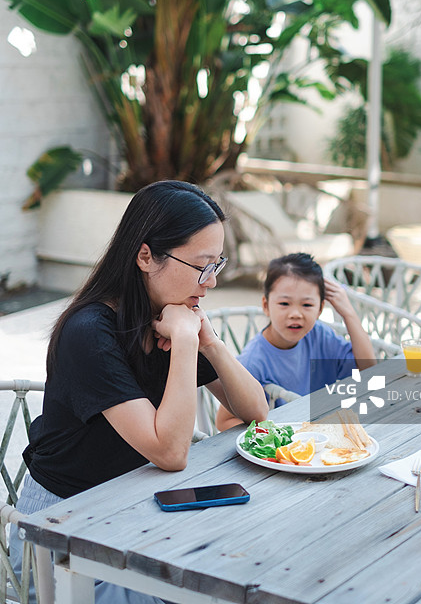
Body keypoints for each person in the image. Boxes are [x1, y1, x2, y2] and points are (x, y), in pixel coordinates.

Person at [10, 180, 268, 604]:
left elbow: (256, 409)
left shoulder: (168, 316)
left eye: (216, 265)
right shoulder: (90, 332)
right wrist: (185, 344)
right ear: (146, 256)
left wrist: (209, 342)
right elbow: (169, 453)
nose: (211, 282)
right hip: (60, 536)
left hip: (137, 511)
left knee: (242, 566)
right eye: (201, 265)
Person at [215, 252, 376, 432]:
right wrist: (274, 436)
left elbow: (368, 369)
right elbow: (224, 421)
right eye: (284, 303)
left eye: (307, 305)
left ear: (320, 309)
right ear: (266, 306)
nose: (296, 314)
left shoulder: (319, 336)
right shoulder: (253, 362)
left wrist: (348, 313)